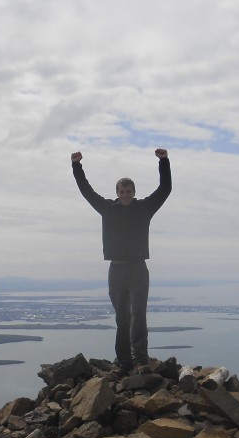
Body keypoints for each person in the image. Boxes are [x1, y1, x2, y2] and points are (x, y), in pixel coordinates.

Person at [71, 148, 172, 373]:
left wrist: (164, 162)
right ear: (117, 193)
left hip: (138, 269)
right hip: (116, 269)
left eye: (128, 191)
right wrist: (77, 166)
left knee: (139, 314)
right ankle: (125, 361)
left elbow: (165, 189)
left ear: (133, 193)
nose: (125, 195)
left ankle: (141, 360)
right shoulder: (107, 208)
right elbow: (86, 191)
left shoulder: (144, 208)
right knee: (122, 317)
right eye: (122, 191)